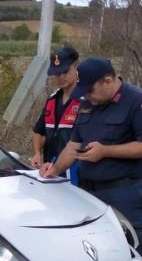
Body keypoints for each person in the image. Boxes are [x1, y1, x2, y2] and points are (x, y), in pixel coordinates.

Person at [40, 57, 142, 245]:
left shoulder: (136, 101)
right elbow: (73, 146)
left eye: (90, 91)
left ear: (108, 81)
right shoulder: (87, 104)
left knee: (130, 250)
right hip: (88, 193)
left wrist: (106, 151)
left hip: (124, 194)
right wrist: (54, 169)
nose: (87, 96)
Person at [30, 47, 81, 182]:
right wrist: (36, 153)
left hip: (76, 170)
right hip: (49, 168)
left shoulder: (86, 100)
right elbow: (38, 131)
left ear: (75, 68)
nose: (61, 77)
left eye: (65, 72)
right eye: (57, 74)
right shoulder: (52, 99)